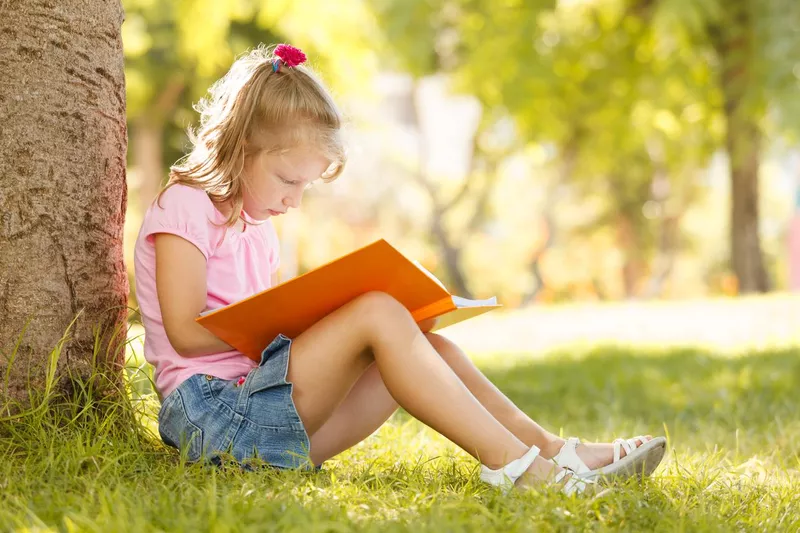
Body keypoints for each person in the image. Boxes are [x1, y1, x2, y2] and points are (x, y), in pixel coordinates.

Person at [133, 44, 666, 496]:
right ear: (243, 145)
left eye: (304, 188)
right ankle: (522, 470)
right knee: (377, 312)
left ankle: (553, 450)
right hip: (211, 418)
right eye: (286, 180)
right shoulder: (187, 205)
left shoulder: (260, 228)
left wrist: (306, 323)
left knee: (417, 339)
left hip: (267, 414)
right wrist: (296, 326)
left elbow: (269, 336)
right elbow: (182, 331)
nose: (294, 200)